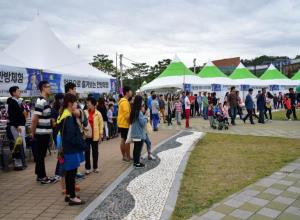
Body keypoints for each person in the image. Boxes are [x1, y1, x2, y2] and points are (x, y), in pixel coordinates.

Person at [57, 93, 85, 205]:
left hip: (66, 148)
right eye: (75, 103)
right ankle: (72, 197)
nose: (76, 105)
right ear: (70, 104)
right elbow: (71, 136)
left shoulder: (65, 114)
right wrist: (81, 145)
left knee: (69, 172)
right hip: (70, 149)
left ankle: (69, 194)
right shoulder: (68, 117)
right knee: (71, 173)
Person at [30, 81, 56, 184]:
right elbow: (34, 119)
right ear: (43, 88)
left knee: (41, 155)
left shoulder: (45, 101)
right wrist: (32, 133)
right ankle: (42, 177)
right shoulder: (41, 101)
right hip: (40, 133)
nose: (50, 89)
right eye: (48, 87)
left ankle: (39, 174)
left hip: (44, 133)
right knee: (41, 155)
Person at [7, 86, 27, 170]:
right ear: (14, 93)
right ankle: (17, 164)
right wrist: (17, 125)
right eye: (18, 91)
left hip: (20, 125)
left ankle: (21, 162)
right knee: (17, 145)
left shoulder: (17, 101)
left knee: (21, 144)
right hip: (16, 126)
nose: (20, 92)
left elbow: (21, 113)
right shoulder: (12, 102)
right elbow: (12, 116)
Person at [84, 97, 104, 174]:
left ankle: (95, 167)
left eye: (88, 103)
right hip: (86, 135)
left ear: (93, 104)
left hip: (95, 136)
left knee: (95, 152)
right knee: (87, 151)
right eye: (87, 103)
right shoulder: (84, 112)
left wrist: (100, 135)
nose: (87, 104)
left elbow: (101, 125)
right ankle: (87, 168)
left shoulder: (98, 113)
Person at [130, 95, 148, 168]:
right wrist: (146, 117)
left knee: (135, 148)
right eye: (142, 100)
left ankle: (135, 162)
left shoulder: (133, 110)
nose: (142, 102)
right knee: (138, 148)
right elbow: (143, 123)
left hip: (134, 133)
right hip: (139, 133)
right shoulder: (139, 112)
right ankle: (137, 163)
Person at [117, 86, 132, 162]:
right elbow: (127, 116)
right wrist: (131, 122)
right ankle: (127, 156)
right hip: (125, 124)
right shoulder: (125, 102)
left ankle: (125, 156)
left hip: (121, 124)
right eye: (130, 91)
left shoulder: (122, 101)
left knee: (123, 139)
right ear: (127, 92)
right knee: (126, 141)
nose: (131, 92)